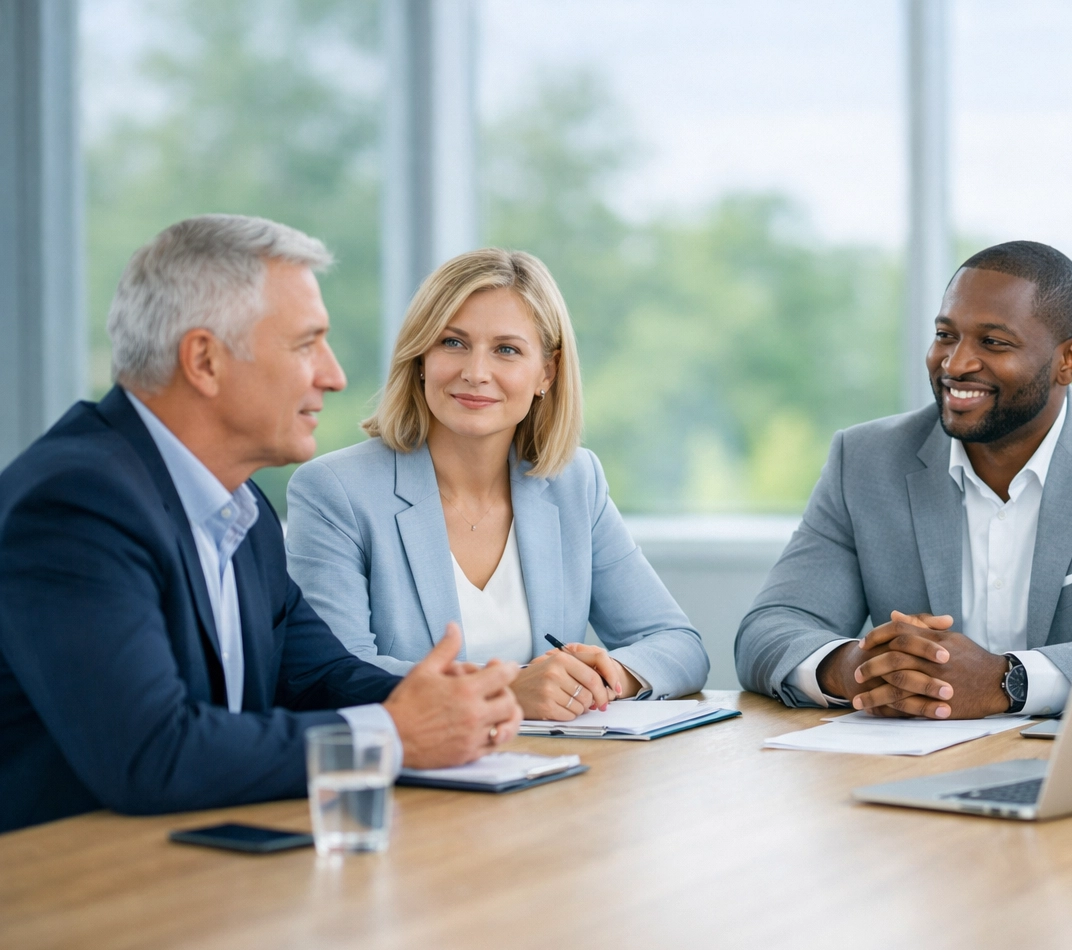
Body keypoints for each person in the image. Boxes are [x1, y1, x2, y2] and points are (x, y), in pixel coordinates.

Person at [0, 215, 523, 834]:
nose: (334, 375)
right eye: (307, 344)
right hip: (76, 893)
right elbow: (150, 755)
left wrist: (448, 701)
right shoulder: (76, 504)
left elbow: (315, 677)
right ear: (205, 360)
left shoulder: (237, 504)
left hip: (195, 875)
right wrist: (394, 733)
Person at [735, 240, 1072, 719]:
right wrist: (858, 668)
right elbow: (768, 628)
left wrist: (1009, 681)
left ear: (1068, 361)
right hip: (908, 775)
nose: (956, 363)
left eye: (994, 342)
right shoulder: (867, 461)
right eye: (945, 335)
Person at [285, 248, 707, 721]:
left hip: (551, 775)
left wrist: (601, 675)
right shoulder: (335, 490)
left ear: (546, 372)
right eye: (452, 342)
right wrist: (508, 689)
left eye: (506, 349)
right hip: (416, 778)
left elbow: (680, 646)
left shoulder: (574, 482)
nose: (475, 372)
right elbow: (334, 675)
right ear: (421, 355)